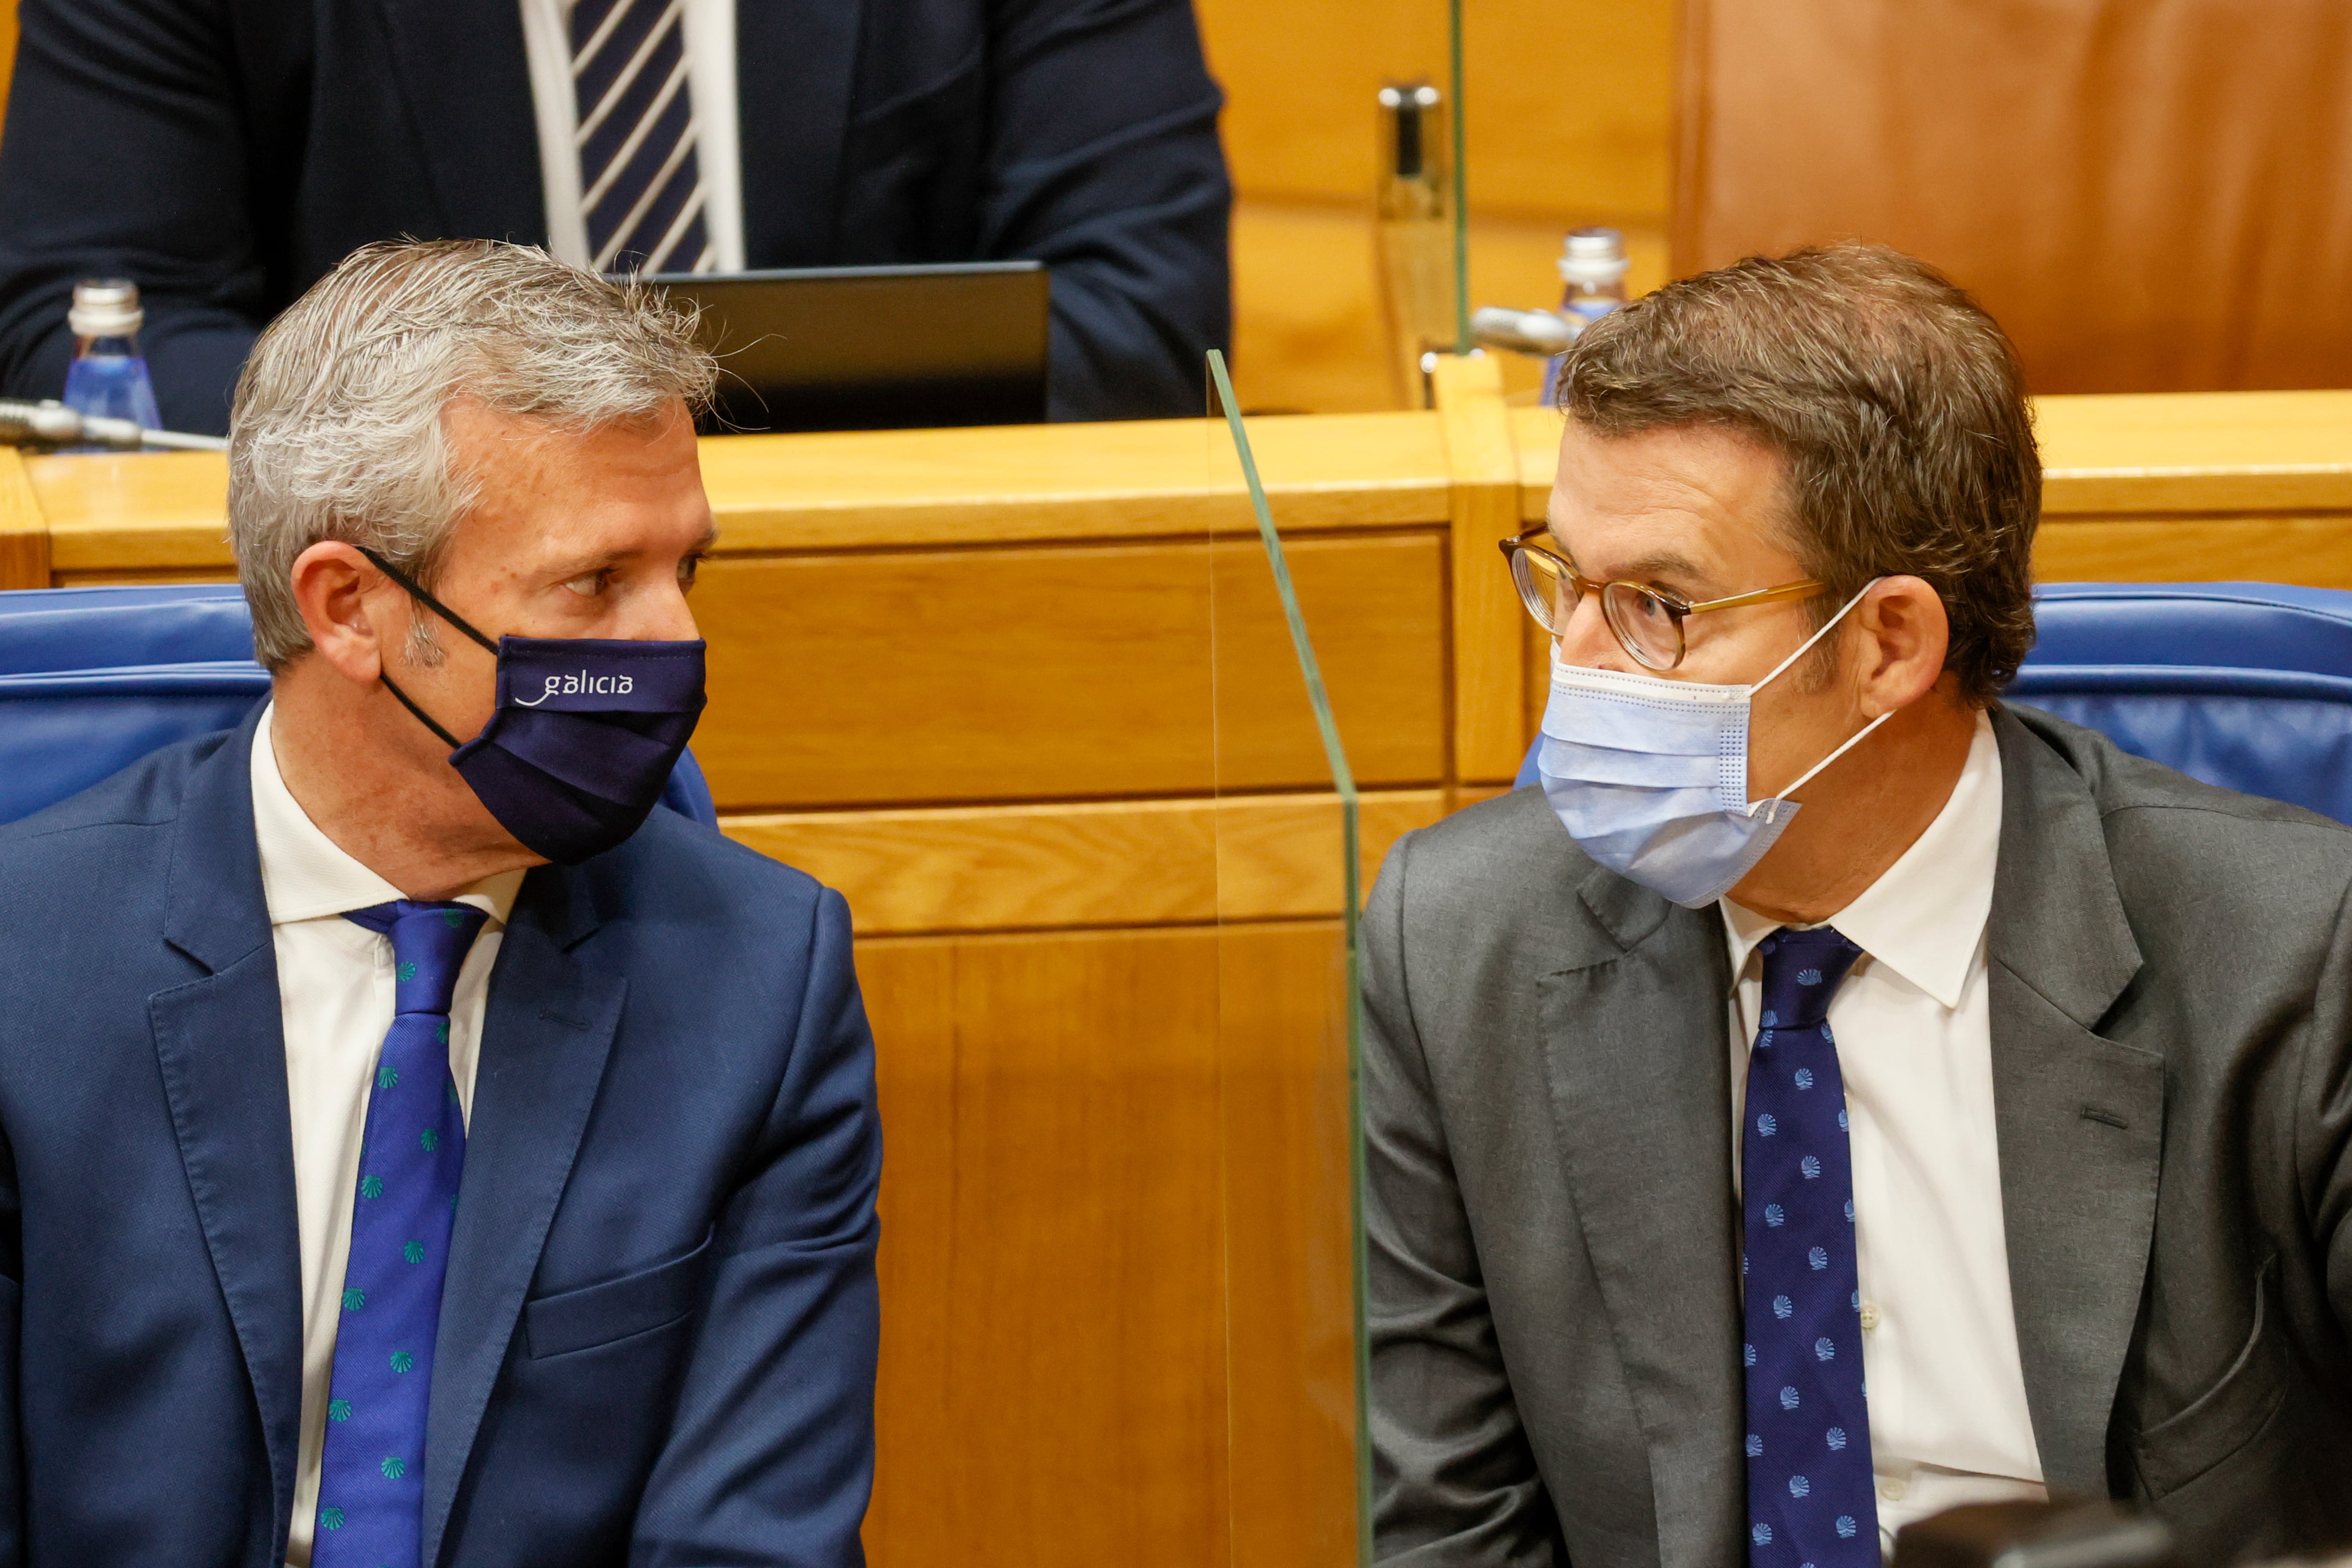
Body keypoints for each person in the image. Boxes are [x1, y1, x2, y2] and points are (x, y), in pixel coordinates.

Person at [1362, 244, 2352, 1568]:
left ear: (1890, 641)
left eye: (1660, 605)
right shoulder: (1458, 943)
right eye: (1565, 580)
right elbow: (1452, 1531)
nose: (1578, 668)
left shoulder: (2298, 954)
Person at [0, 240, 880, 1563]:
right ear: (348, 606)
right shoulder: (25, 966)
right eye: (595, 584)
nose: (675, 648)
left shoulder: (759, 981)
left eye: (682, 572)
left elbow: (750, 1540)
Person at [0, 0, 1229, 431]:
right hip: (394, 643)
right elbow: (99, 337)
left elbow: (1144, 319)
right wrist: (518, 460)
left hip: (925, 621)